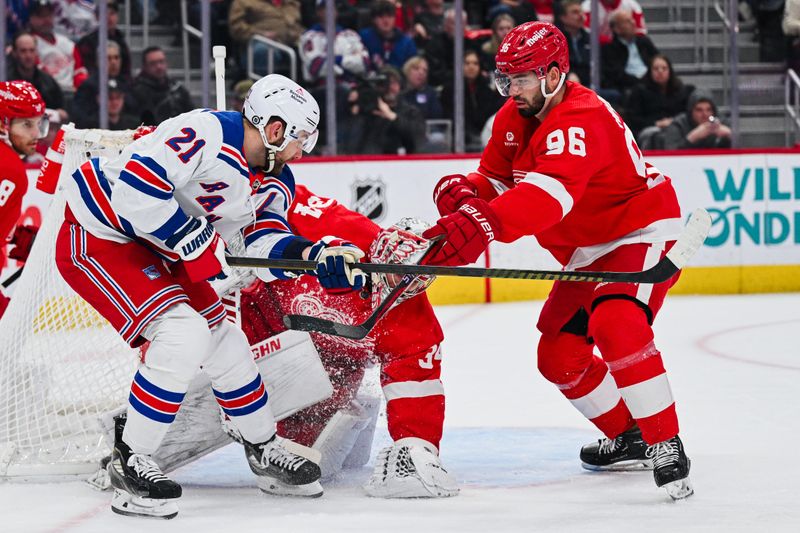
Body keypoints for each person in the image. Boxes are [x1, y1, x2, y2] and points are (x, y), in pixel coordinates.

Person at [53, 74, 368, 518]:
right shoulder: (205, 132)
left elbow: (257, 242)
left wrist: (315, 255)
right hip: (102, 234)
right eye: (302, 139)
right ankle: (133, 459)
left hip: (165, 249)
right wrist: (194, 239)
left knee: (226, 339)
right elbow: (134, 188)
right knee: (182, 334)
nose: (303, 151)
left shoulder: (277, 179)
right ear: (276, 129)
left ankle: (261, 445)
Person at [422, 21, 693, 500]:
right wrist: (466, 192)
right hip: (588, 249)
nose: (510, 90)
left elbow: (547, 199)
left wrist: (484, 224)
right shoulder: (515, 114)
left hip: (636, 230)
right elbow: (498, 180)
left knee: (617, 322)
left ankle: (665, 441)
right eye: (504, 79)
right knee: (559, 356)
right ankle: (629, 435)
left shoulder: (581, 116)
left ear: (553, 74)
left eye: (520, 78)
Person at [235, 184, 458, 498]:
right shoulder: (342, 228)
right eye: (397, 265)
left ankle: (356, 416)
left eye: (415, 276)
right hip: (264, 324)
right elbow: (284, 193)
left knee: (304, 465)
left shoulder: (415, 322)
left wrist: (415, 445)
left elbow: (417, 385)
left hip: (333, 374)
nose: (400, 282)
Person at [0, 81, 47, 318]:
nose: (36, 134)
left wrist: (15, 236)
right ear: (3, 123)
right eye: (27, 124)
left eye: (39, 124)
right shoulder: (9, 169)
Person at [624, 54, 695, 147]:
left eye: (664, 68)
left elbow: (686, 115)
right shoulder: (639, 91)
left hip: (677, 128)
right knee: (658, 137)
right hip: (649, 129)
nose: (660, 71)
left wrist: (674, 122)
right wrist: (657, 123)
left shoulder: (681, 91)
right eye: (656, 68)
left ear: (670, 71)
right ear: (650, 71)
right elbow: (633, 120)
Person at [441, 49, 504, 151]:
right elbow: (450, 115)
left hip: (483, 134)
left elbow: (490, 114)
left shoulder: (486, 90)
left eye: (475, 63)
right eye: (467, 63)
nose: (471, 67)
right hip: (459, 137)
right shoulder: (450, 89)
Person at [27, 0, 87, 91]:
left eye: (49, 15)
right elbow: (39, 75)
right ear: (31, 19)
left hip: (72, 93)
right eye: (41, 16)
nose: (46, 20)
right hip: (46, 94)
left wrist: (79, 89)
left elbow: (79, 71)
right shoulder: (28, 44)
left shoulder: (68, 44)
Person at [600, 9, 659, 99]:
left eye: (632, 19)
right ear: (616, 29)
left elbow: (658, 60)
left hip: (651, 82)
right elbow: (616, 75)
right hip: (628, 88)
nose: (633, 23)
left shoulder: (644, 41)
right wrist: (641, 82)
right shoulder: (610, 49)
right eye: (627, 21)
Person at [131, 46, 194, 126]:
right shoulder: (137, 92)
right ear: (145, 67)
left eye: (161, 61)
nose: (159, 66)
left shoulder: (177, 89)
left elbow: (191, 115)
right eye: (153, 63)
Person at [660, 90, 732, 150]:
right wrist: (691, 138)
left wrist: (730, 135)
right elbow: (669, 155)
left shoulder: (721, 123)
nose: (705, 114)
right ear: (691, 111)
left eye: (709, 110)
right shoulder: (678, 125)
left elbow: (738, 153)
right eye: (699, 110)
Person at [359, 0, 418, 72]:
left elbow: (412, 69)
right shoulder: (364, 37)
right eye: (381, 17)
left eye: (389, 16)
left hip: (399, 80)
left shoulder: (407, 42)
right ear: (373, 19)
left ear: (395, 18)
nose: (386, 21)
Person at [582, 0, 647, 45]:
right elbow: (585, 33)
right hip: (598, 48)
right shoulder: (588, 6)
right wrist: (608, 41)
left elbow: (641, 32)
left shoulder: (632, 5)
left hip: (625, 46)